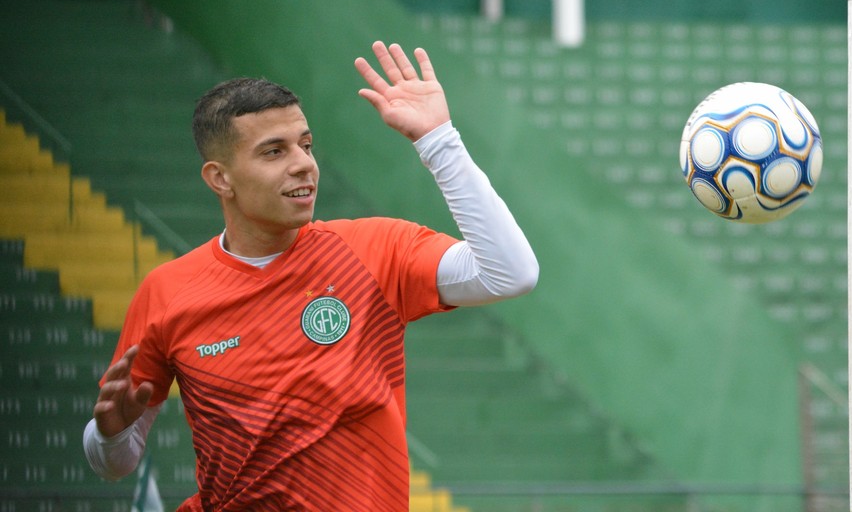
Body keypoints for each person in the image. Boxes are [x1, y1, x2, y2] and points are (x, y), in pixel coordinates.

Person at [83, 41, 539, 511]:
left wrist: (439, 139)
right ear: (220, 178)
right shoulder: (168, 292)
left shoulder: (371, 249)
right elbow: (113, 463)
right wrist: (111, 433)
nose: (303, 163)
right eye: (273, 152)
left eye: (305, 145)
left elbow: (511, 273)